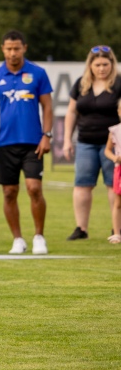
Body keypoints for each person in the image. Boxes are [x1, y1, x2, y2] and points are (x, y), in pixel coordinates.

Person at [0, 30, 53, 255]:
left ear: (25, 48)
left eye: (17, 48)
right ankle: (18, 239)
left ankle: (39, 236)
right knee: (9, 192)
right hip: (5, 143)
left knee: (34, 188)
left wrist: (46, 135)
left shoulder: (38, 73)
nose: (13, 53)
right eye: (9, 49)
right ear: (2, 49)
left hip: (33, 143)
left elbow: (48, 107)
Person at [62, 46, 121, 241]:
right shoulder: (81, 84)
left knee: (114, 186)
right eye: (97, 64)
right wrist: (66, 140)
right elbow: (71, 112)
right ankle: (81, 228)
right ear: (90, 65)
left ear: (112, 64)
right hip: (85, 141)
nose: (102, 68)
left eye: (105, 64)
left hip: (112, 145)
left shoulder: (118, 84)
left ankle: (116, 228)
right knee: (82, 185)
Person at [106, 103, 121, 245]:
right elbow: (107, 150)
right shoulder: (115, 131)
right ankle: (117, 233)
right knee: (118, 202)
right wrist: (115, 158)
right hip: (120, 170)